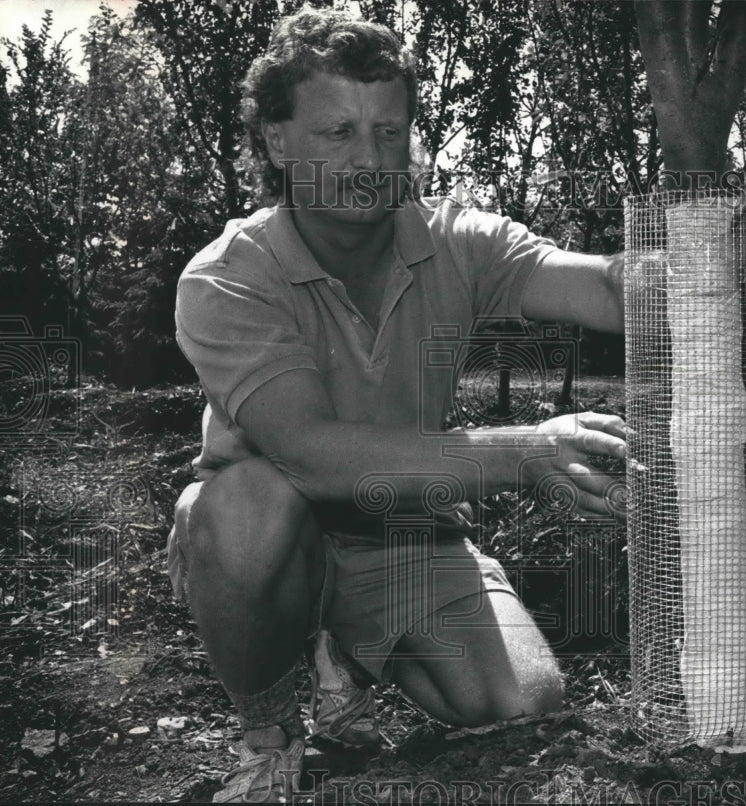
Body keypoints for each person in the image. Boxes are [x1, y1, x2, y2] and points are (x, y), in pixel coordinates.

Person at [168, 6, 626, 802]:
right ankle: (271, 729)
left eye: (389, 131)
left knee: (519, 698)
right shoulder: (226, 277)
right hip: (277, 534)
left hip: (403, 528)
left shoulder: (456, 240)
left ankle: (344, 656)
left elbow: (599, 286)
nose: (369, 158)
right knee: (249, 505)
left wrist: (697, 254)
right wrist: (522, 454)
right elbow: (308, 452)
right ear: (278, 141)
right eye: (337, 133)